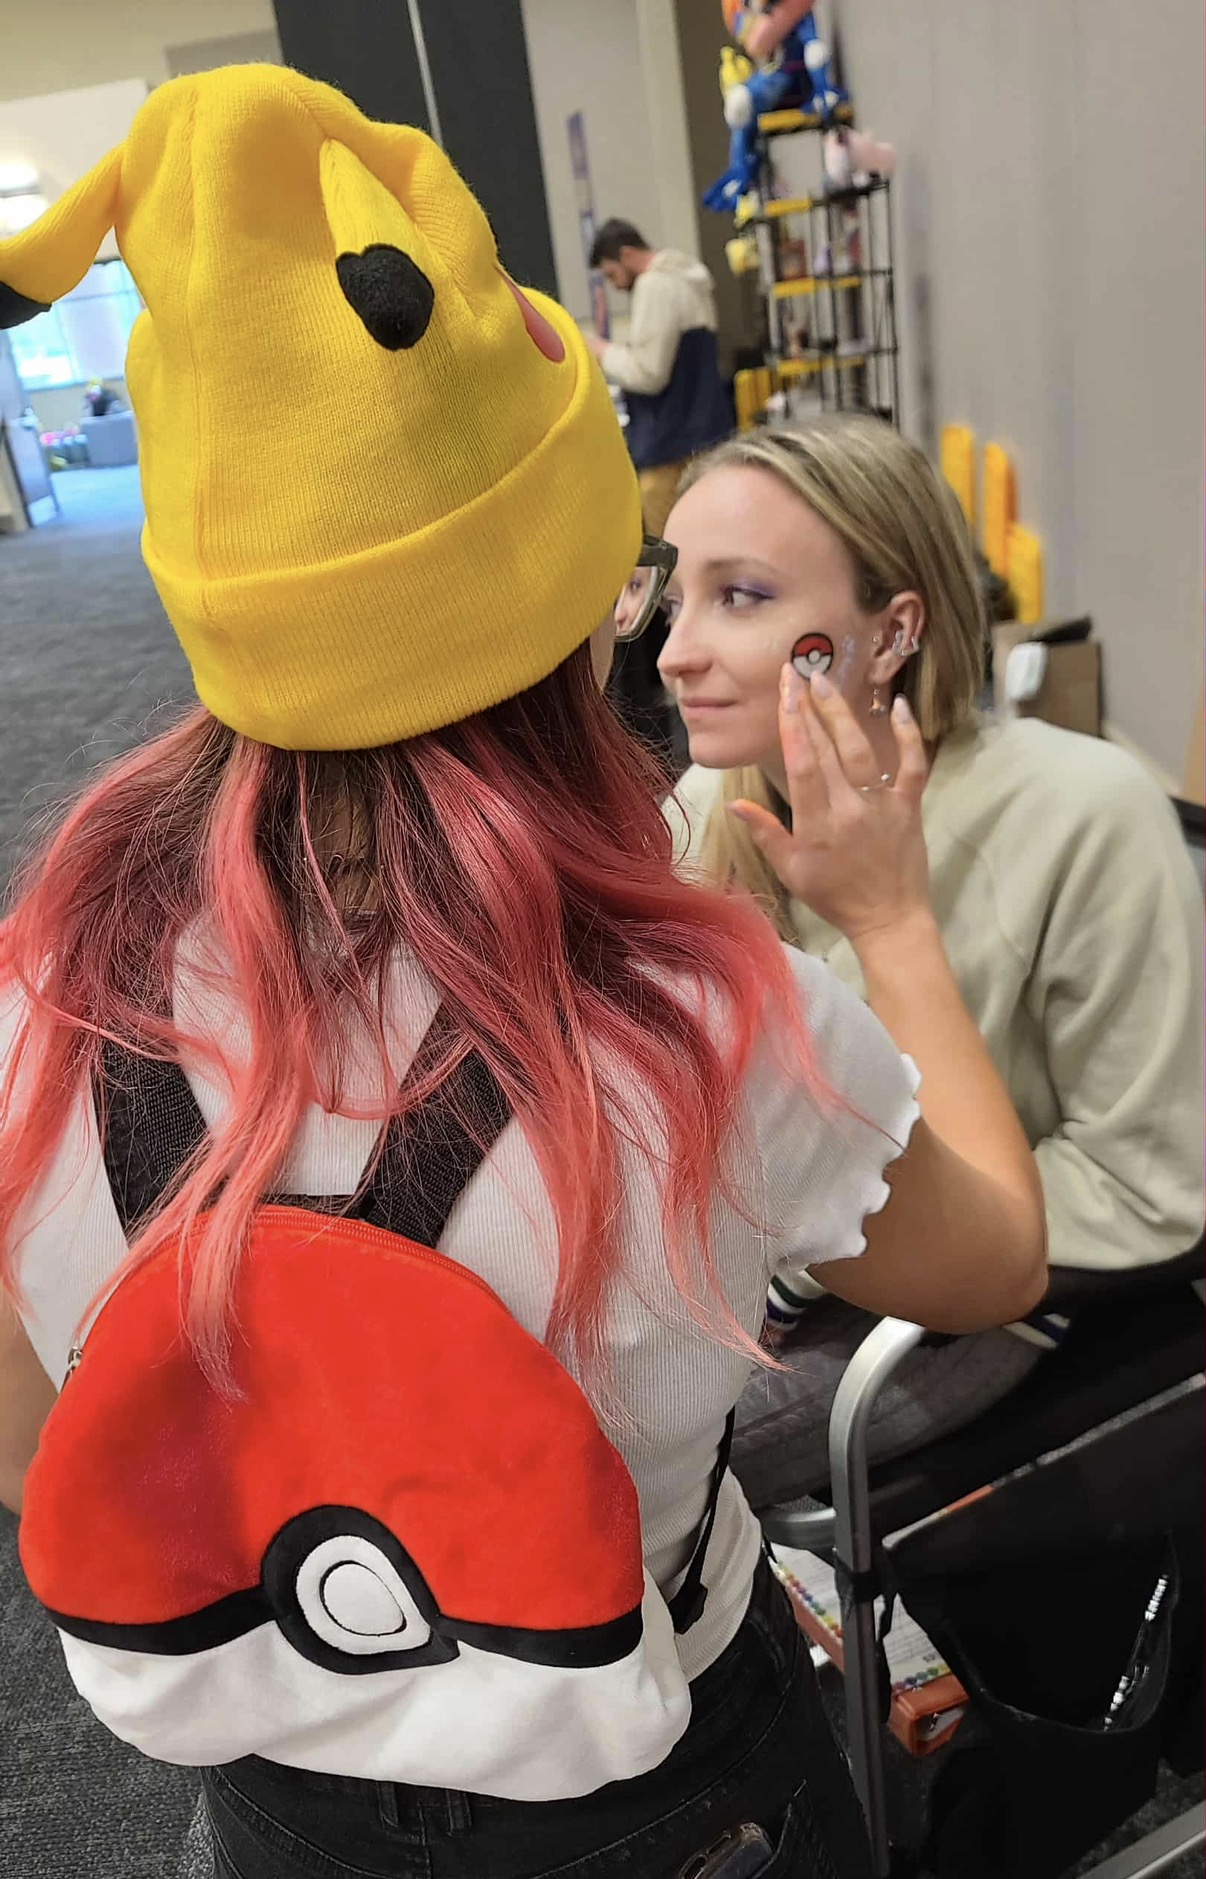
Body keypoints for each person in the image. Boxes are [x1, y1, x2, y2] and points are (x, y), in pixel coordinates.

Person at [0, 69, 1044, 1879]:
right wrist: (884, 919)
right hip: (664, 1780)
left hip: (273, 1802)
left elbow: (42, 1463)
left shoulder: (36, 996)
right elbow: (986, 1261)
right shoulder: (693, 1017)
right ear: (569, 600)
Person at [659, 415, 1205, 1510]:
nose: (677, 652)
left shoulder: (1083, 813)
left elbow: (1151, 1190)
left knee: (631, 1488)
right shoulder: (707, 808)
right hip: (758, 1278)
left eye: (744, 597)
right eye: (675, 598)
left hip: (980, 1301)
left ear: (893, 628)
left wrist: (842, 1230)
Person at [586, 219, 734, 767]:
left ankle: (673, 691)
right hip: (700, 438)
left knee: (665, 574)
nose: (615, 284)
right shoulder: (691, 280)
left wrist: (600, 349)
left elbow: (647, 373)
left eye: (610, 273)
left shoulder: (655, 286)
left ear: (626, 254)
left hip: (666, 448)